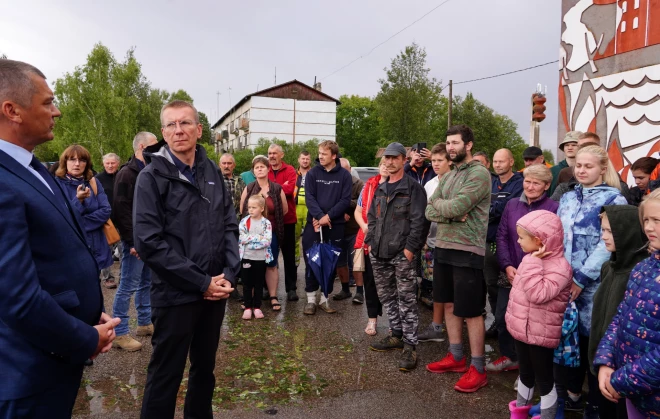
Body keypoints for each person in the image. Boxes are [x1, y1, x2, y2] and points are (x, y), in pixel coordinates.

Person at [0, 59, 119, 417]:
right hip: (27, 373)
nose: (58, 111)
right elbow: (16, 297)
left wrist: (83, 315)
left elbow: (52, 258)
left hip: (52, 359)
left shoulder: (32, 168)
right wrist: (85, 338)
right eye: (48, 102)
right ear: (12, 110)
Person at [134, 100, 239, 419]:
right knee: (166, 375)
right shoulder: (150, 178)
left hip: (215, 292)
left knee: (204, 370)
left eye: (185, 123)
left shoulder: (212, 172)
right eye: (171, 125)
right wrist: (200, 282)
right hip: (175, 294)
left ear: (198, 129)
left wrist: (228, 276)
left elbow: (230, 223)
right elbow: (148, 242)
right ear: (163, 133)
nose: (178, 130)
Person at [556, 145, 627, 416]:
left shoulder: (614, 201)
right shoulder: (568, 198)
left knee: (593, 343)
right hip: (563, 282)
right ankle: (571, 394)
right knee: (567, 339)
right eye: (579, 166)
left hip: (594, 287)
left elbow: (605, 246)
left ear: (602, 169)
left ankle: (596, 405)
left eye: (589, 166)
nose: (582, 170)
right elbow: (559, 235)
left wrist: (581, 278)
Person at [425, 124, 492, 393]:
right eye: (448, 143)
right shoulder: (449, 175)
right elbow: (431, 208)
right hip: (443, 246)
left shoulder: (479, 174)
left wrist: (448, 210)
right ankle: (456, 357)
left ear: (469, 145)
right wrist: (449, 213)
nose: (451, 147)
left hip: (468, 249)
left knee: (472, 311)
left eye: (455, 143)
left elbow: (456, 205)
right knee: (449, 304)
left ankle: (478, 367)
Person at [594, 189, 660, 419]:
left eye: (657, 221)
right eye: (646, 220)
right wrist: (605, 361)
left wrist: (619, 381)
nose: (649, 228)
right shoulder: (644, 268)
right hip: (634, 394)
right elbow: (621, 317)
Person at [366, 142, 430, 371]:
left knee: (407, 300)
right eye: (387, 158)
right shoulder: (381, 188)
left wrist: (409, 250)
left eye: (394, 158)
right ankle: (396, 334)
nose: (389, 161)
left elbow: (420, 222)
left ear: (404, 159)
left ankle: (410, 346)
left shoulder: (413, 189)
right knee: (387, 297)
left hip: (401, 255)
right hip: (379, 253)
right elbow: (372, 217)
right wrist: (370, 242)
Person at [490, 165, 559, 375]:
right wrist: (507, 265)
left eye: (536, 183)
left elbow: (554, 243)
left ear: (547, 185)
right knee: (503, 317)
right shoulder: (512, 205)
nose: (530, 186)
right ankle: (510, 357)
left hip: (538, 274)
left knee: (531, 323)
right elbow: (501, 236)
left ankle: (529, 369)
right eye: (527, 181)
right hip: (510, 271)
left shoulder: (554, 208)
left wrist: (533, 267)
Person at [505, 210, 572, 419]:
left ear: (539, 239)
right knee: (525, 374)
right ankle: (521, 412)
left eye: (522, 237)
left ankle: (548, 415)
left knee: (544, 379)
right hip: (522, 330)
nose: (518, 241)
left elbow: (538, 294)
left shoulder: (561, 267)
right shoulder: (530, 259)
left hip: (541, 333)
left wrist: (534, 262)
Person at [588, 205, 647, 419]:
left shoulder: (638, 274)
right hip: (600, 361)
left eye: (610, 231)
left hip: (624, 372)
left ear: (628, 232)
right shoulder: (608, 267)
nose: (604, 237)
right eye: (602, 230)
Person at [111, 131, 158, 352]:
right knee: (127, 285)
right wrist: (132, 242)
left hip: (148, 239)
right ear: (141, 147)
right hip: (134, 242)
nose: (157, 150)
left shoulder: (149, 170)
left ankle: (144, 323)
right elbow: (121, 211)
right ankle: (119, 334)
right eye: (153, 146)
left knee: (146, 282)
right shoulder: (127, 174)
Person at [302, 140, 352, 315]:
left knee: (330, 262)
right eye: (319, 153)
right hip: (313, 225)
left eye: (324, 154)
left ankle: (324, 299)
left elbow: (345, 200)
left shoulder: (345, 176)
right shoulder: (312, 174)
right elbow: (310, 198)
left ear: (334, 156)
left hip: (335, 225)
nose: (320, 157)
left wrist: (328, 217)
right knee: (311, 260)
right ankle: (310, 300)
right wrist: (319, 217)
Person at [54, 145, 114, 288]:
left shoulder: (93, 182)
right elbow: (62, 215)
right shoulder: (57, 184)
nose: (77, 164)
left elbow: (106, 210)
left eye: (82, 160)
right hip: (73, 246)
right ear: (65, 162)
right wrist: (78, 201)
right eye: (72, 159)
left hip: (96, 245)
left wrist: (78, 222)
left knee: (95, 290)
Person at [240, 155, 288, 312]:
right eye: (256, 167)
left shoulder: (276, 188)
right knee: (252, 264)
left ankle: (273, 296)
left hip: (271, 234)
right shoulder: (249, 188)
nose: (259, 169)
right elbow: (242, 210)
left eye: (262, 166)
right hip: (251, 234)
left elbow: (284, 209)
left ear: (268, 169)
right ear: (253, 171)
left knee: (271, 265)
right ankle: (250, 298)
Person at [484, 149, 523, 340]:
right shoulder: (491, 182)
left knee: (508, 287)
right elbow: (483, 206)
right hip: (488, 241)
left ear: (511, 162)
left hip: (509, 245)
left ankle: (509, 327)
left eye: (502, 161)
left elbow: (507, 208)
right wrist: (491, 209)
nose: (498, 165)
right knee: (491, 285)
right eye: (495, 161)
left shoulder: (519, 183)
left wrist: (489, 210)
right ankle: (497, 322)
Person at [418, 143, 452, 341]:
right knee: (436, 287)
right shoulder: (429, 184)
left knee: (450, 289)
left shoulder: (456, 182)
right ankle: (437, 328)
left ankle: (453, 328)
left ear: (449, 161)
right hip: (431, 242)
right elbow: (425, 213)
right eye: (433, 161)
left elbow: (453, 212)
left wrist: (439, 212)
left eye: (440, 160)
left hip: (452, 243)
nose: (436, 164)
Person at [354, 158, 388, 335]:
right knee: (370, 282)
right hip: (369, 241)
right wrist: (364, 226)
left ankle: (394, 324)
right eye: (382, 164)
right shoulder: (368, 186)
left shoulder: (400, 186)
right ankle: (372, 320)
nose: (385, 167)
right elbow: (358, 211)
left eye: (388, 164)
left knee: (392, 285)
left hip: (390, 242)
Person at [267, 144, 299, 301]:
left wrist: (271, 189)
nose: (272, 156)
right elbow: (261, 189)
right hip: (269, 222)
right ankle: (267, 289)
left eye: (275, 153)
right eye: (269, 153)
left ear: (282, 155)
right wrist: (281, 187)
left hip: (287, 219)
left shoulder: (290, 170)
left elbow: (290, 189)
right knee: (268, 255)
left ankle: (291, 288)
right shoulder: (264, 169)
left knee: (289, 256)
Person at [333, 158, 364, 301]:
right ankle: (345, 290)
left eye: (345, 170)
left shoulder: (358, 184)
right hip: (337, 229)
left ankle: (359, 292)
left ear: (350, 169)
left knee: (357, 263)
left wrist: (344, 205)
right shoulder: (333, 183)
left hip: (354, 230)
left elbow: (362, 204)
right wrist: (339, 211)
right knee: (340, 262)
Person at [238, 194, 273, 320]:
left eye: (254, 207)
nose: (250, 210)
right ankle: (247, 307)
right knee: (247, 284)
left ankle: (257, 307)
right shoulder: (244, 222)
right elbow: (242, 238)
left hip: (260, 258)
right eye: (249, 207)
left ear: (262, 208)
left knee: (258, 283)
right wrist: (258, 238)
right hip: (246, 257)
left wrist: (251, 240)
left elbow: (267, 241)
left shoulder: (266, 223)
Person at [294, 150, 312, 267]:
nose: (305, 161)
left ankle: (310, 265)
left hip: (310, 210)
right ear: (299, 160)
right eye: (303, 159)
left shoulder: (314, 173)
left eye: (307, 159)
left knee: (309, 239)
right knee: (294, 238)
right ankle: (295, 264)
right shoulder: (294, 173)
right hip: (295, 209)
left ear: (310, 160)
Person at [220, 153, 246, 218]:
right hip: (220, 219)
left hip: (237, 219)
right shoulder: (215, 181)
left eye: (229, 163)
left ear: (234, 165)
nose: (226, 166)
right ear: (219, 165)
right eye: (224, 163)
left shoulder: (241, 182)